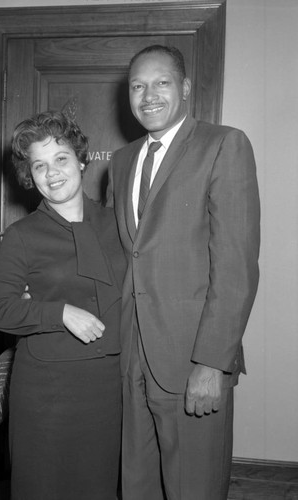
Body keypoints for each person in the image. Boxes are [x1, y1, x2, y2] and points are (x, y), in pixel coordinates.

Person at [106, 45, 260, 500]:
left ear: (186, 88)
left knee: (193, 488)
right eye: (137, 85)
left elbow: (236, 266)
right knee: (138, 487)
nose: (147, 95)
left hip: (192, 360)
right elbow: (124, 257)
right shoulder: (121, 162)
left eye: (161, 83)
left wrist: (212, 363)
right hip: (132, 359)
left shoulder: (224, 144)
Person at [0, 111, 126, 500]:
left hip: (107, 385)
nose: (53, 172)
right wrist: (58, 313)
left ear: (81, 160)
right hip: (46, 390)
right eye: (39, 165)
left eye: (61, 159)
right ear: (30, 176)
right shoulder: (22, 236)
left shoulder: (120, 224)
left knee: (98, 487)